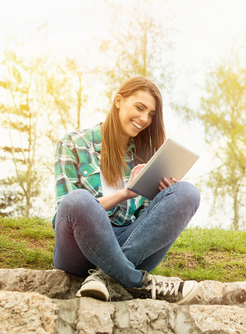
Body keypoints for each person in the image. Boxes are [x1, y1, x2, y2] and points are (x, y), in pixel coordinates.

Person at [52, 76, 200, 304]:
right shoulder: (74, 143)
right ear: (119, 101)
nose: (144, 119)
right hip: (78, 248)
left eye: (151, 114)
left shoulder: (144, 157)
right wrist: (125, 193)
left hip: (127, 244)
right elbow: (67, 212)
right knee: (77, 200)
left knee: (187, 193)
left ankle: (105, 277)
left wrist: (164, 196)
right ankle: (137, 282)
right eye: (140, 108)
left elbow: (147, 229)